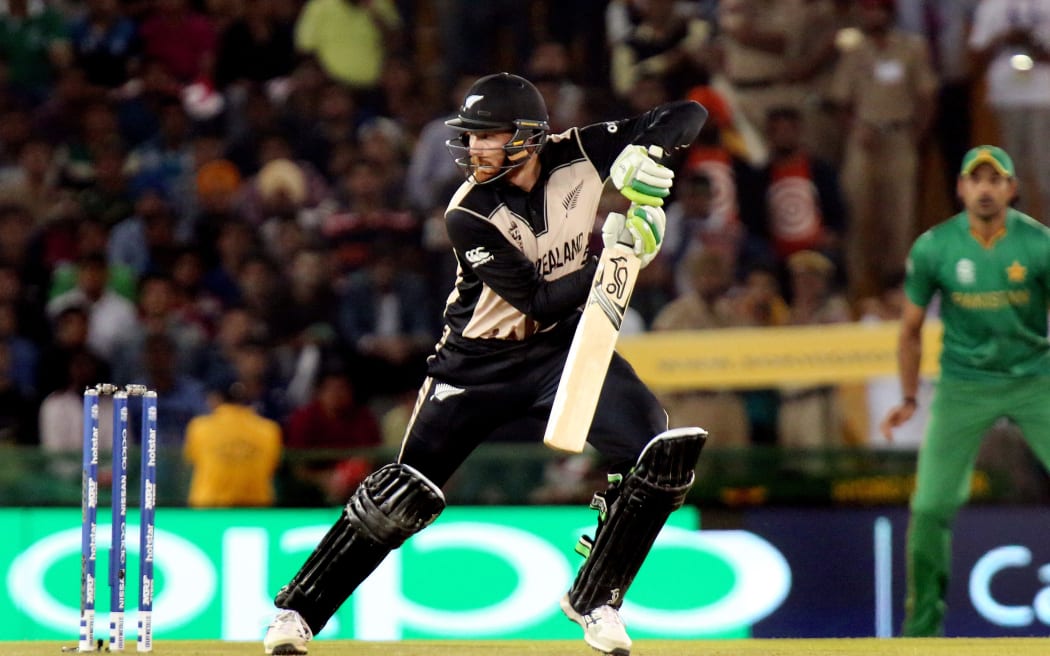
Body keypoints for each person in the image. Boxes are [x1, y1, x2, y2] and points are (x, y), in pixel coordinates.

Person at [262, 72, 709, 656]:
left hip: (560, 349)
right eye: (469, 137)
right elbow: (542, 297)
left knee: (659, 456)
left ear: (525, 137)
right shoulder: (467, 212)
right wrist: (618, 247)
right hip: (475, 365)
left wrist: (645, 156)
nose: (473, 149)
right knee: (402, 495)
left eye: (485, 137)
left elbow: (686, 113)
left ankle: (597, 598)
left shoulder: (577, 152)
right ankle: (296, 613)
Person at [880, 145, 1050, 636]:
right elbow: (909, 331)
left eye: (995, 180)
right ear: (961, 188)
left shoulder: (1039, 245)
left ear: (1011, 190)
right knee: (930, 506)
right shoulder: (935, 247)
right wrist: (910, 398)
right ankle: (921, 631)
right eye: (976, 179)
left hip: (1034, 378)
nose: (985, 188)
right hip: (963, 385)